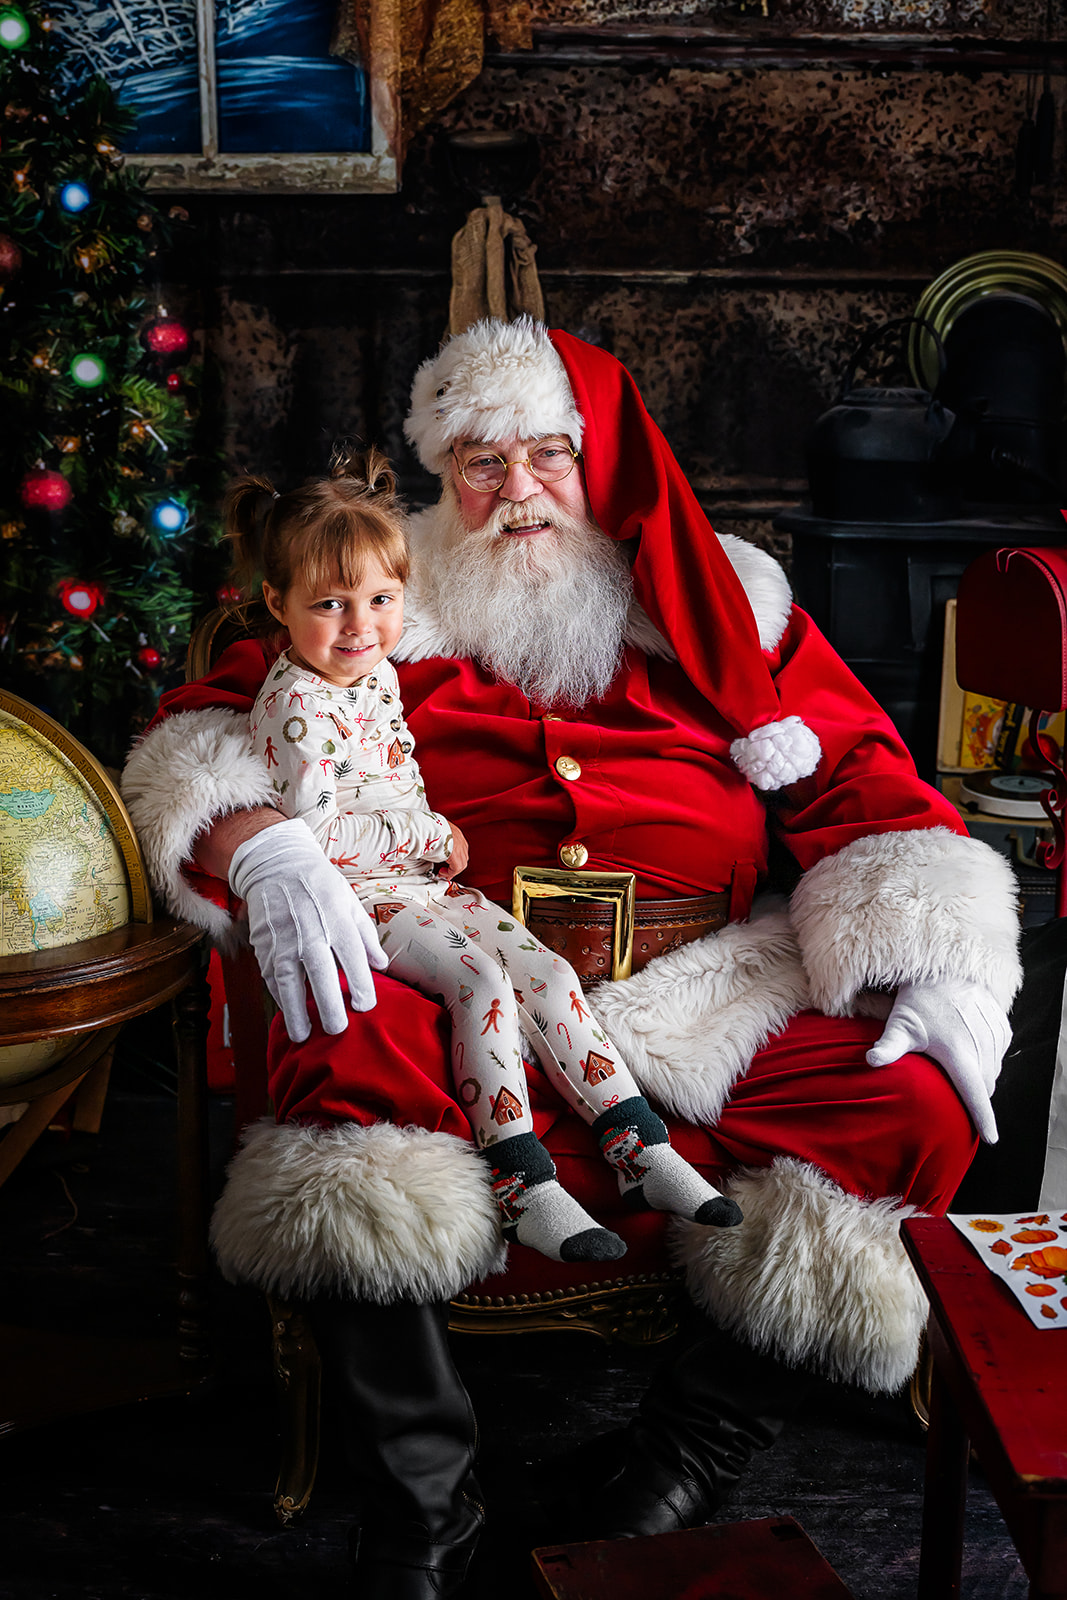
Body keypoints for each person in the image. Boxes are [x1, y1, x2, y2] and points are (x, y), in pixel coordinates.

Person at [122, 318, 1020, 1598]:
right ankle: (427, 1497)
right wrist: (257, 842)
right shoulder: (377, 595)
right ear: (442, 473)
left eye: (548, 453)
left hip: (698, 1001)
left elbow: (862, 780)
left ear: (603, 464)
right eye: (480, 461)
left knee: (909, 1090)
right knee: (334, 1033)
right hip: (450, 985)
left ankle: (679, 1460)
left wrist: (936, 949)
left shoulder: (732, 609)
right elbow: (204, 730)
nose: (518, 489)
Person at [229, 446, 741, 1264]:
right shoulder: (297, 705)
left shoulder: (373, 673)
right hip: (360, 898)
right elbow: (316, 837)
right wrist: (432, 835)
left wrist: (425, 846)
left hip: (423, 886)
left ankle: (640, 1149)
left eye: (381, 600)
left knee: (547, 974)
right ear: (276, 604)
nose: (359, 626)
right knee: (482, 985)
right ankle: (519, 1181)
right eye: (329, 604)